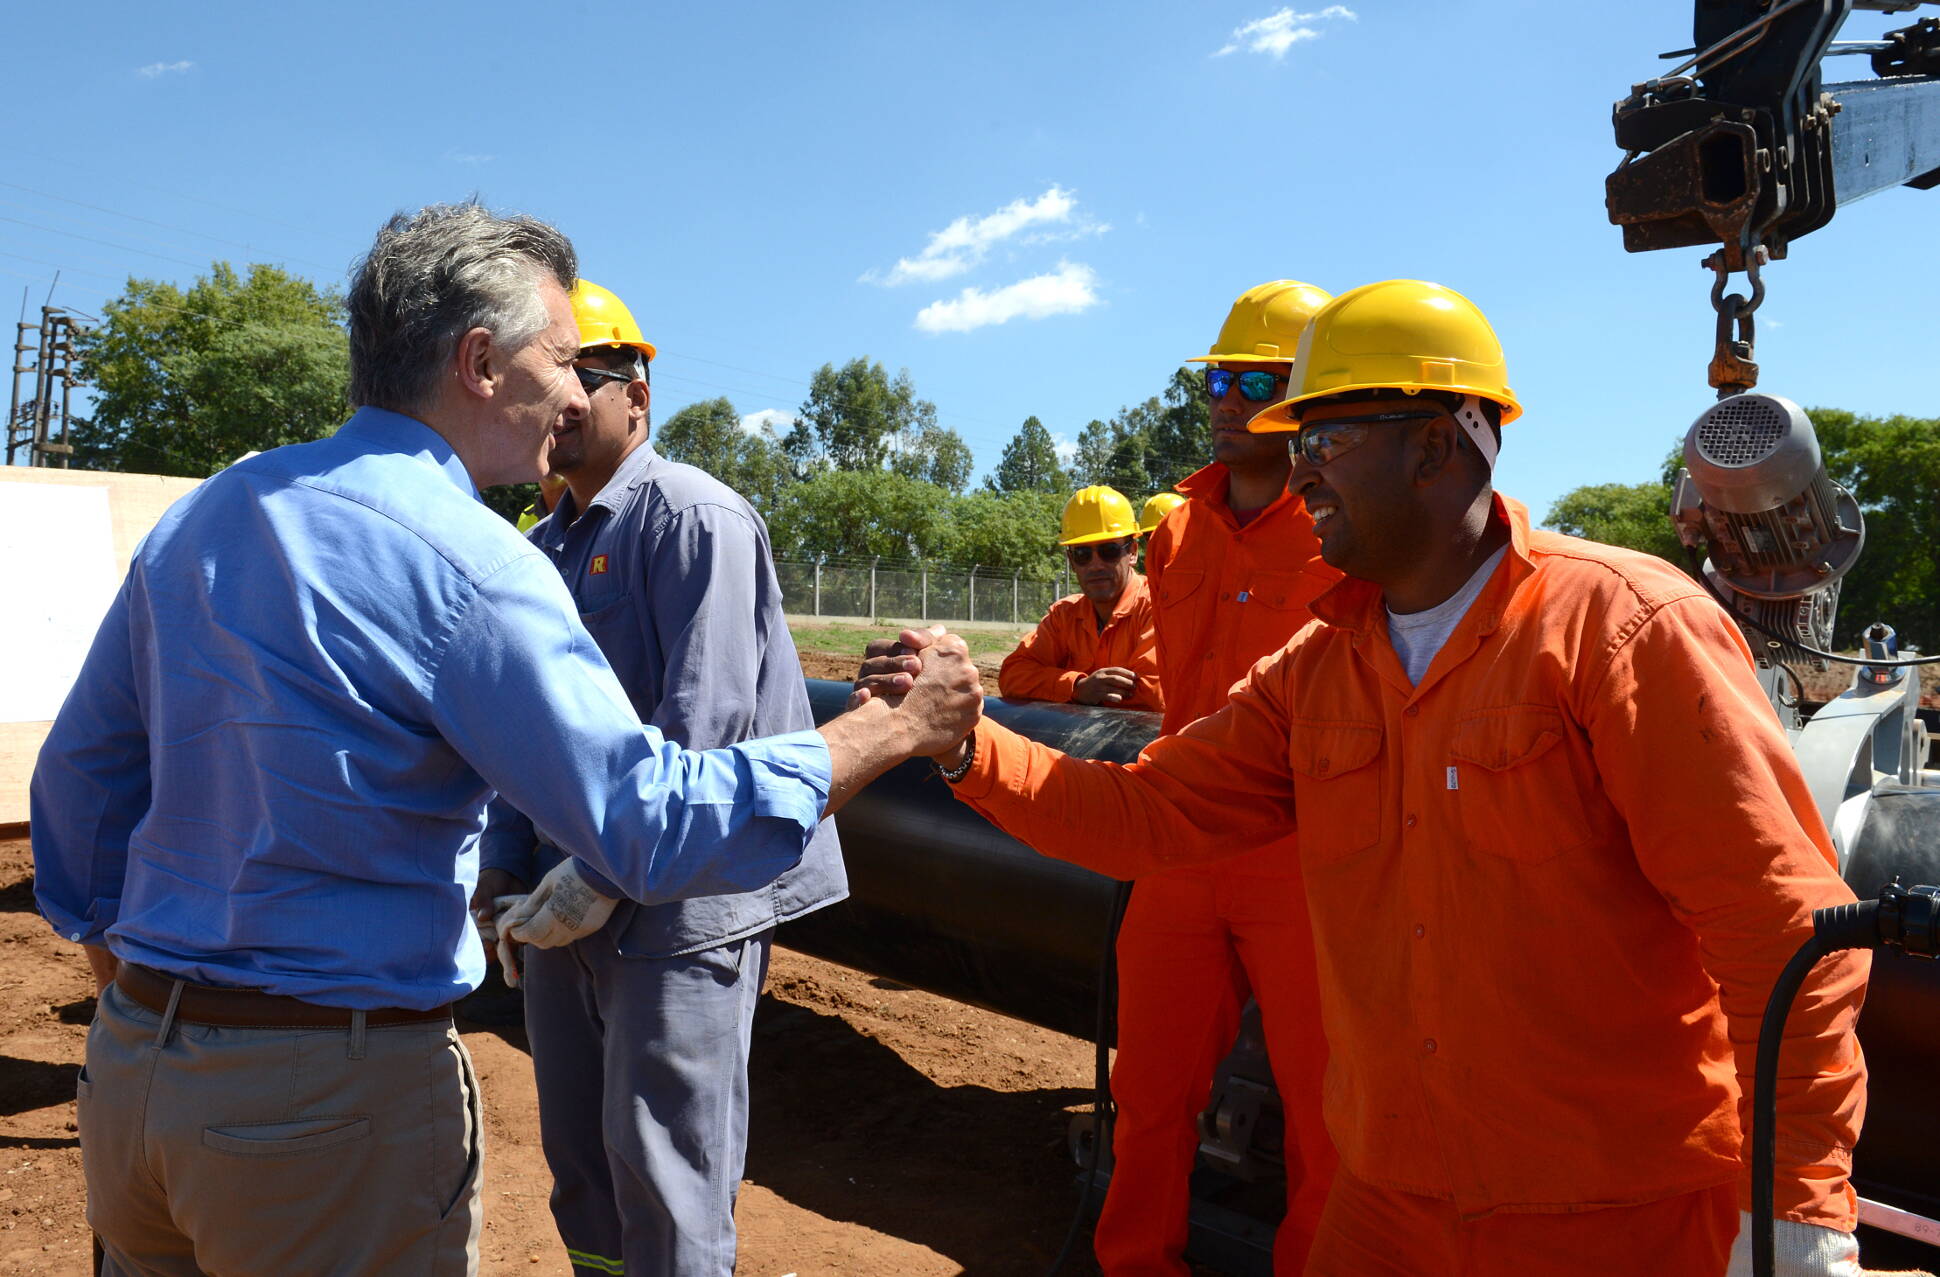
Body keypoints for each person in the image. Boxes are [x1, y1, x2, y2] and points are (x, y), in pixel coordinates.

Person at [30, 203, 980, 1277]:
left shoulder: (209, 514)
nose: (576, 393)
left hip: (134, 1080)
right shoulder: (473, 559)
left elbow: (80, 787)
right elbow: (647, 820)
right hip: (322, 1113)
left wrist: (151, 995)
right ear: (479, 362)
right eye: (563, 360)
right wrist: (891, 727)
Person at [862, 280, 1878, 1277]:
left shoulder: (1620, 630)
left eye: (1325, 440)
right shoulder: (1319, 667)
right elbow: (1148, 809)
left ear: (1438, 442)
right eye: (1294, 441)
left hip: (1609, 1210)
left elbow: (1782, 928)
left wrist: (1792, 1211)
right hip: (1389, 1203)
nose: (1299, 469)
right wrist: (965, 740)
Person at [475, 278, 847, 1277]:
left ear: (634, 391)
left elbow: (706, 721)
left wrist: (600, 875)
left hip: (677, 906)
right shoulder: (543, 545)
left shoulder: (692, 518)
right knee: (583, 1166)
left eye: (574, 380)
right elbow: (525, 728)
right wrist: (504, 865)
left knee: (664, 1169)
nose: (552, 406)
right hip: (561, 899)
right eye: (541, 380)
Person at [1086, 281, 1342, 1276]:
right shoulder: (1176, 528)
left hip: (1303, 854)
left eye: (1249, 380)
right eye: (1214, 379)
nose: (1222, 399)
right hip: (1181, 847)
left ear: (1301, 399)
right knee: (1147, 1091)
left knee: (1328, 1112)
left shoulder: (1338, 527)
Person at [998, 485, 1163, 711]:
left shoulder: (1157, 607)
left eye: (1109, 551)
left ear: (1132, 552)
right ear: (1071, 560)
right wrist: (1077, 687)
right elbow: (1012, 675)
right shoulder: (1064, 615)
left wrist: (1071, 692)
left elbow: (1152, 693)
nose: (1096, 565)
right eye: (1082, 554)